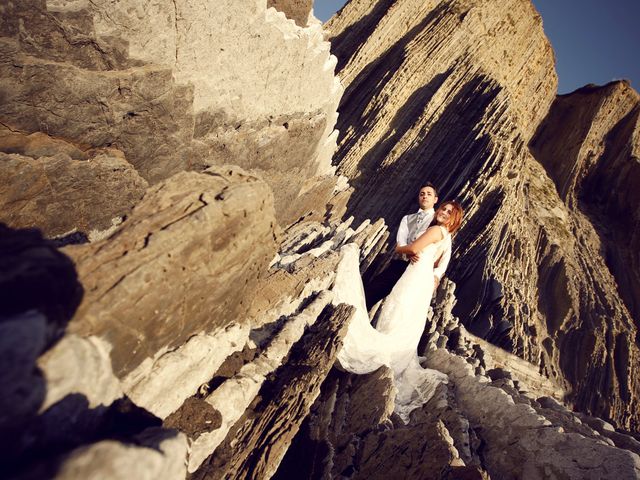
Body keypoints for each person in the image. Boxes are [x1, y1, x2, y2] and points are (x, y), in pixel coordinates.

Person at [334, 201, 464, 422]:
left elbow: (412, 249)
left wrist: (400, 248)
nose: (442, 212)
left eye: (449, 212)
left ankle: (378, 358)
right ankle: (393, 361)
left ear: (455, 219)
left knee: (395, 315)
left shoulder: (435, 230)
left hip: (413, 280)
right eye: (442, 208)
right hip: (421, 281)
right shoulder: (447, 237)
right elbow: (437, 265)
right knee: (404, 321)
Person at [365, 183, 451, 310]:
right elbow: (401, 242)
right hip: (400, 264)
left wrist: (437, 275)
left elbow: (445, 252)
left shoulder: (439, 221)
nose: (425, 197)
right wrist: (408, 251)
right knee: (373, 290)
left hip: (417, 270)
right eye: (422, 194)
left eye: (429, 194)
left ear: (435, 199)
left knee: (398, 306)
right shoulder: (407, 219)